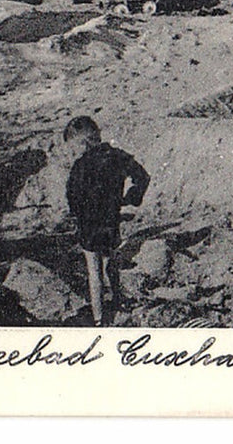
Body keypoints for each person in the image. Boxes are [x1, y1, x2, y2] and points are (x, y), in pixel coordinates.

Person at [64, 116, 150, 326]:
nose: (74, 152)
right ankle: (118, 300)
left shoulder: (80, 167)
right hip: (111, 221)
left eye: (73, 147)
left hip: (89, 226)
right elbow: (143, 177)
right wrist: (131, 198)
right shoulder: (117, 156)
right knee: (111, 262)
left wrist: (77, 215)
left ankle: (99, 318)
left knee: (94, 271)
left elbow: (72, 198)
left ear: (82, 143)